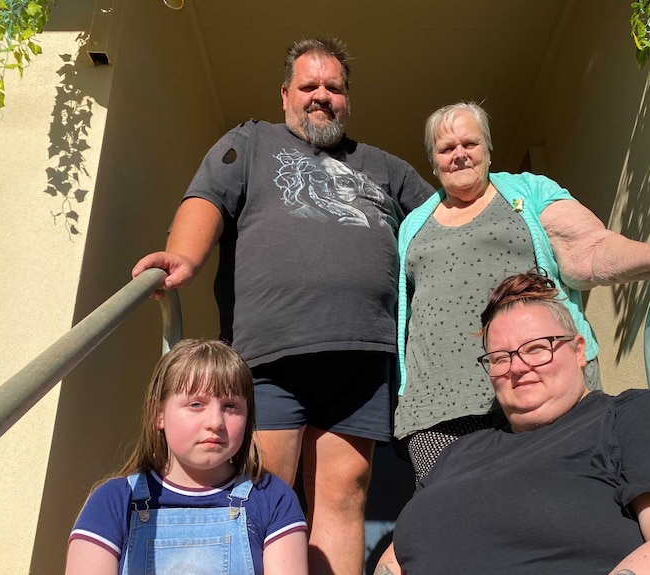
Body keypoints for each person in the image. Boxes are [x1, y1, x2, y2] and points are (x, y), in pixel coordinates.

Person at [131, 38, 433, 575]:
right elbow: (206, 200)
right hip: (271, 354)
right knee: (262, 495)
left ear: (347, 99)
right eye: (309, 86)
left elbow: (443, 222)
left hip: (361, 354)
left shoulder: (386, 167)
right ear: (285, 95)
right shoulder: (250, 143)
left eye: (334, 87)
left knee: (344, 497)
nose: (322, 96)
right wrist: (183, 257)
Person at [394, 101, 650, 481]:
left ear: (488, 149)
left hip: (540, 386)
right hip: (438, 409)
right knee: (458, 521)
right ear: (433, 163)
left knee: (565, 500)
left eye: (469, 143)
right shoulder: (412, 225)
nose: (459, 155)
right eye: (445, 149)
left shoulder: (529, 192)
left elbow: (591, 249)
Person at [376, 270, 650, 574]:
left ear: (578, 350)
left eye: (537, 348)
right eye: (501, 357)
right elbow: (397, 557)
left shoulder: (631, 417)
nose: (519, 368)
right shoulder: (455, 454)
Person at [65, 339, 308, 575]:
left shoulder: (272, 499)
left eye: (231, 406)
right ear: (158, 415)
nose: (215, 422)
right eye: (196, 404)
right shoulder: (114, 502)